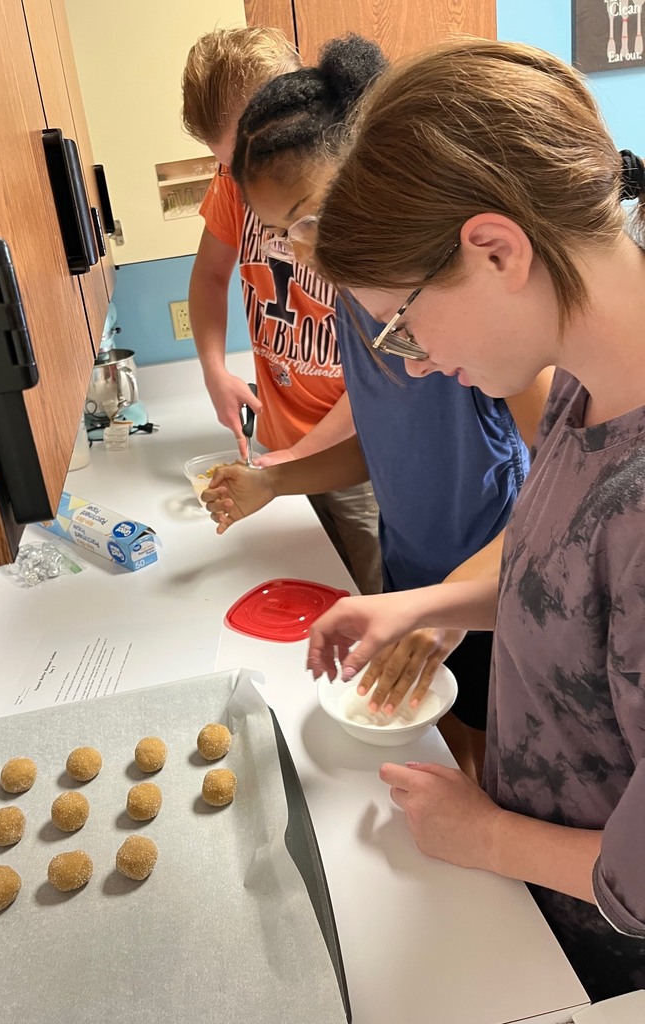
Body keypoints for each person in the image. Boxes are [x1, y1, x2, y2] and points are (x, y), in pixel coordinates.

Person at [305, 38, 645, 1000]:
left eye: (403, 323)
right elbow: (568, 587)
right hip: (529, 903)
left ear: (496, 250)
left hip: (603, 967)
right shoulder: (583, 380)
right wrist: (423, 607)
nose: (411, 362)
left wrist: (484, 836)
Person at [204, 36, 552, 780]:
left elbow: (563, 496)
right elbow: (382, 442)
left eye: (310, 219)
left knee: (492, 756)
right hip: (411, 573)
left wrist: (450, 606)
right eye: (282, 235)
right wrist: (276, 479)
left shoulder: (470, 312)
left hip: (488, 583)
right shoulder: (354, 306)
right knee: (443, 741)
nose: (302, 251)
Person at [182, 28, 382, 596]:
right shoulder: (233, 186)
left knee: (369, 589)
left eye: (253, 159)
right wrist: (214, 371)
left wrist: (292, 463)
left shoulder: (354, 207)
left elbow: (382, 368)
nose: (242, 183)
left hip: (351, 452)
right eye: (230, 168)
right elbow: (210, 275)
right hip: (279, 445)